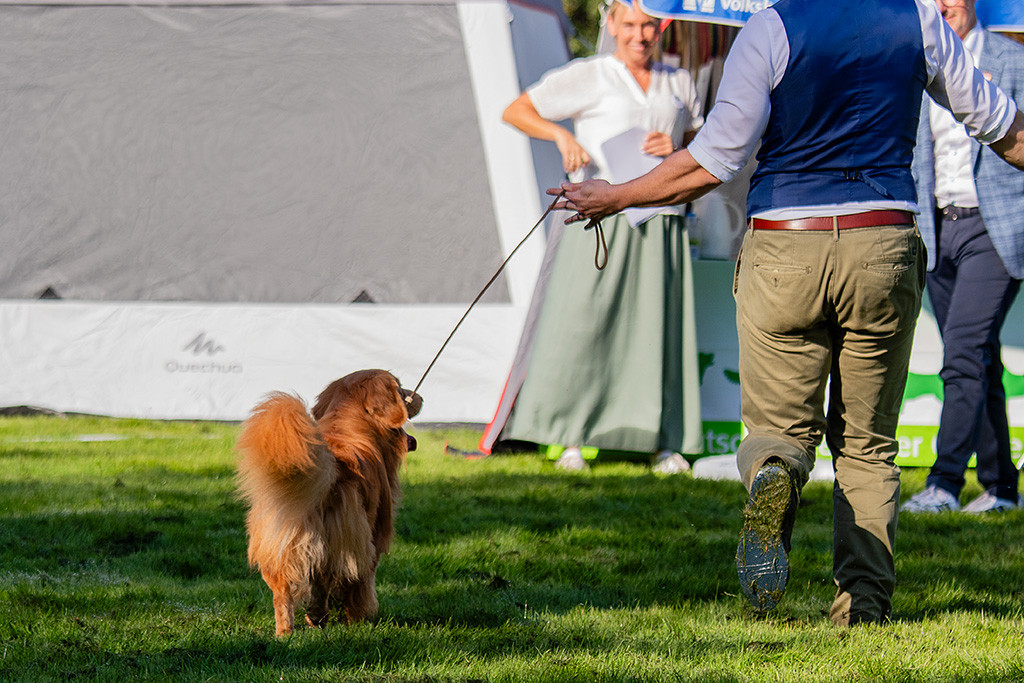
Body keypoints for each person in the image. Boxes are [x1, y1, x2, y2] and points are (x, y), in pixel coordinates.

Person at [553, 0, 1024, 625]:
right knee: (867, 445)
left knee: (779, 428)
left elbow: (717, 157)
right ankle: (862, 606)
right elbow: (1005, 129)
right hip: (882, 240)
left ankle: (775, 467)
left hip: (786, 243)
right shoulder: (920, 20)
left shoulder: (771, 27)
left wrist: (618, 195)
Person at [479, 0, 704, 474]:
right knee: (582, 325)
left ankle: (661, 442)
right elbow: (516, 111)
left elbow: (702, 143)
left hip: (661, 217)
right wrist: (562, 137)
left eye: (648, 26)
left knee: (657, 330)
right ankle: (571, 438)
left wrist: (678, 146)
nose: (640, 35)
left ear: (660, 28)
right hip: (599, 216)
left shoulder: (679, 80)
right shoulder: (590, 74)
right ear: (612, 25)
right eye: (630, 24)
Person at [902, 0, 1024, 515]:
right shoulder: (917, 58)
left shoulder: (1012, 59)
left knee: (963, 353)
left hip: (994, 228)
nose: (943, 4)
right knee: (978, 356)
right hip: (937, 226)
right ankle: (1001, 488)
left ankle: (945, 483)